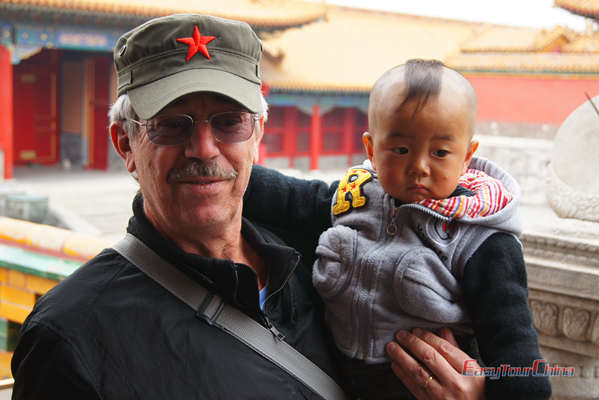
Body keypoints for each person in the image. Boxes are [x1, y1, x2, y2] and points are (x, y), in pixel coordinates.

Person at [11, 15, 486, 399]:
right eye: (172, 125)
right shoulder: (71, 335)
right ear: (126, 144)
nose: (203, 148)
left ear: (258, 134)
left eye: (228, 122)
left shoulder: (335, 256)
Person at [243, 60, 551, 399]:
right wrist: (232, 175)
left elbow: (515, 343)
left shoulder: (480, 239)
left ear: (466, 156)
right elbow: (290, 198)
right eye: (401, 149)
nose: (419, 166)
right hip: (332, 381)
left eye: (440, 152)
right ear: (372, 150)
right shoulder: (354, 197)